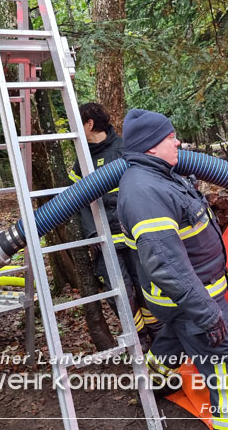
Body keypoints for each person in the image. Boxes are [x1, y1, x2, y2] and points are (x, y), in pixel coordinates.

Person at [117, 109, 228, 430]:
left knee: (176, 337)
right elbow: (166, 265)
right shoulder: (145, 193)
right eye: (171, 138)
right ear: (152, 146)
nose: (177, 141)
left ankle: (153, 382)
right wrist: (206, 313)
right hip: (192, 301)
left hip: (186, 300)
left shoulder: (161, 175)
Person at [69, 103, 159, 346]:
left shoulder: (125, 151)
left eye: (77, 123)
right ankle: (139, 338)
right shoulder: (82, 161)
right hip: (105, 242)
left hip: (134, 238)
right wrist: (92, 234)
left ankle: (158, 336)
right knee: (119, 292)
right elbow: (78, 202)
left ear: (89, 124)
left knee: (145, 287)